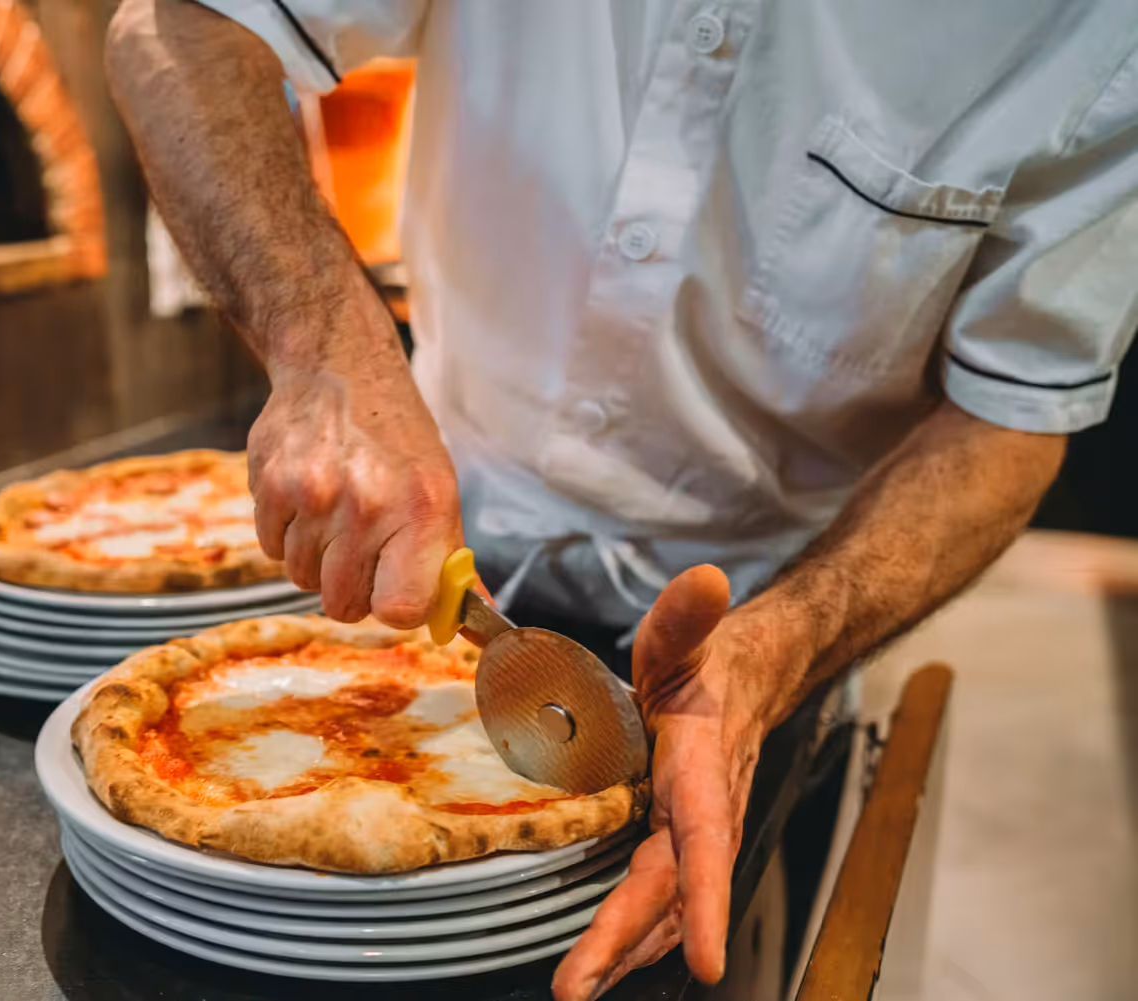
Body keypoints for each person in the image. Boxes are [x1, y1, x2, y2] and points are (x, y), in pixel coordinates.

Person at [104, 1, 1138, 996]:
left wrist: (775, 654)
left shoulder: (1097, 33)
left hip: (764, 632)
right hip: (420, 582)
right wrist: (331, 352)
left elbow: (1010, 416)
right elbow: (181, 25)